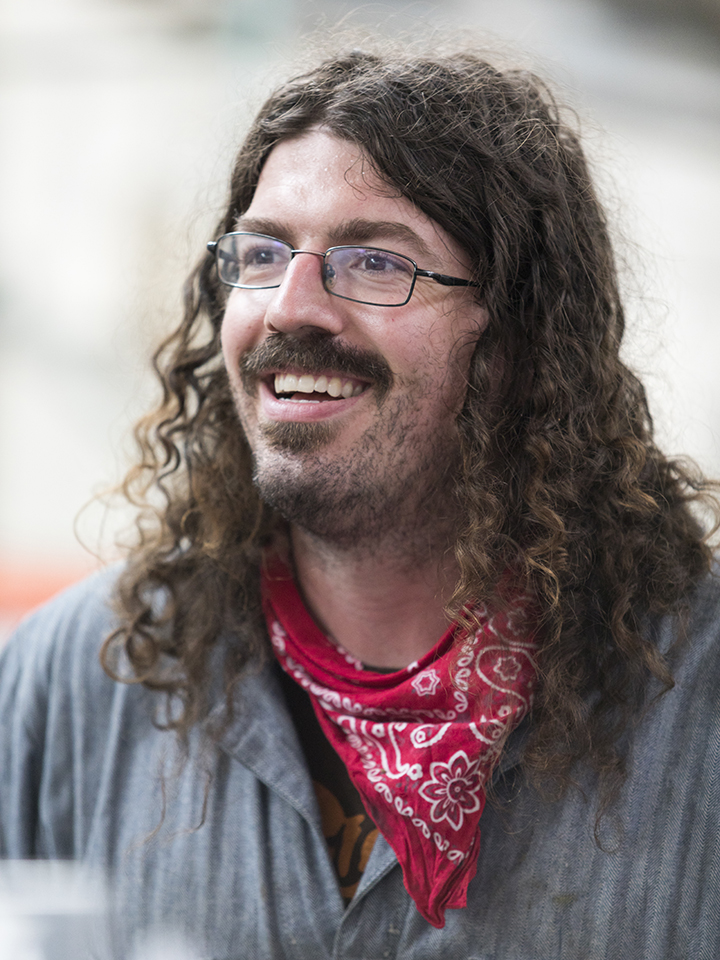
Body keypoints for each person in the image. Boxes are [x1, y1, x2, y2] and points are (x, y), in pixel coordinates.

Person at [1, 43, 720, 960]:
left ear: (514, 339)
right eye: (262, 254)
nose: (291, 307)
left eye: (375, 262)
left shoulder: (693, 700)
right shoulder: (78, 683)